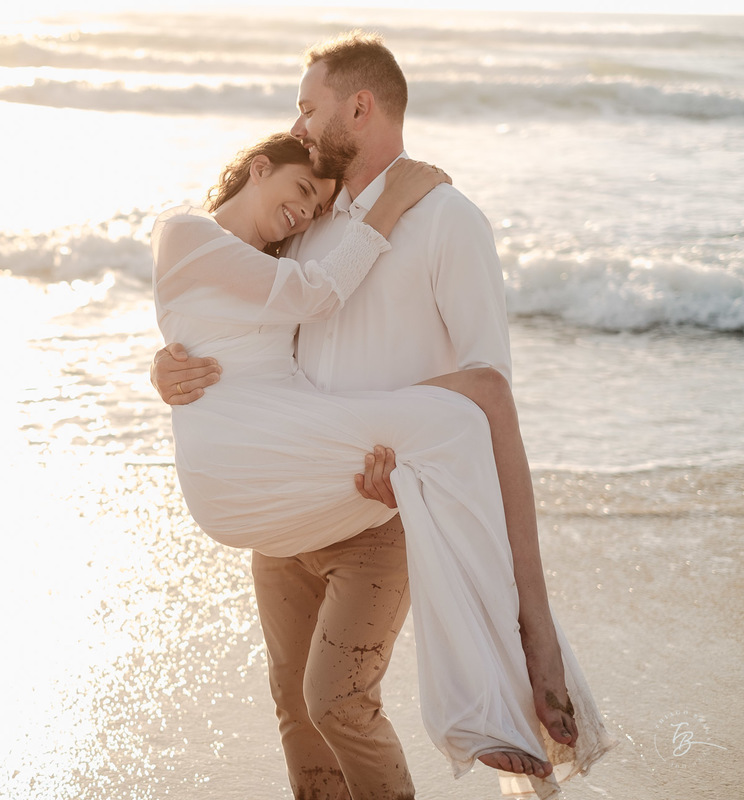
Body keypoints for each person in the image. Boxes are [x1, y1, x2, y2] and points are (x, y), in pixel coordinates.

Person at [151, 32, 615, 800]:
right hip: (287, 506)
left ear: (360, 107)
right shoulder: (304, 224)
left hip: (377, 512)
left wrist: (533, 616)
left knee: (339, 703)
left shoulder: (447, 220)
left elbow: (490, 402)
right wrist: (167, 365)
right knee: (296, 714)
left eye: (309, 108)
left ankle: (521, 671)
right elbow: (227, 316)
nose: (297, 125)